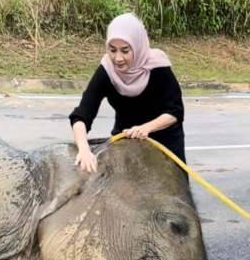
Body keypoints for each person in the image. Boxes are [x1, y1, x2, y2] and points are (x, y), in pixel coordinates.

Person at [69, 13, 185, 173]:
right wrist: (83, 150)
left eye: (125, 51)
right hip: (126, 141)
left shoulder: (157, 67)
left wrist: (146, 128)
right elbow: (81, 115)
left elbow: (175, 111)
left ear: (137, 47)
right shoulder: (107, 70)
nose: (118, 58)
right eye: (112, 50)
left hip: (164, 142)